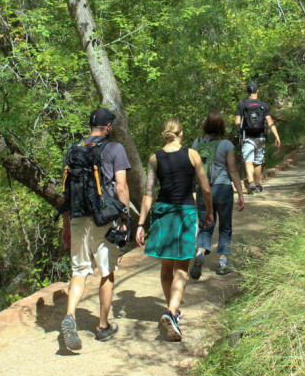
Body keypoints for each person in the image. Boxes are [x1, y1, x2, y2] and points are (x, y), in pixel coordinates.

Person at [59, 107, 131, 351]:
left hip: (78, 214)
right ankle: (102, 326)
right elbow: (120, 186)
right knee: (106, 271)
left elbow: (67, 191)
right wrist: (125, 215)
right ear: (108, 127)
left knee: (79, 270)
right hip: (104, 217)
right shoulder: (114, 148)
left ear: (91, 127)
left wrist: (66, 224)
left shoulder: (73, 150)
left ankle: (70, 315)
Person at [135, 117, 214, 341]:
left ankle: (173, 310)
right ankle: (171, 311)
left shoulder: (154, 159)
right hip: (185, 213)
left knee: (166, 267)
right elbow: (205, 188)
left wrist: (141, 223)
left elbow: (148, 193)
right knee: (181, 268)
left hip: (163, 214)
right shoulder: (192, 155)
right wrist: (208, 212)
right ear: (181, 133)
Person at [189, 112, 245, 278]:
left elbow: (190, 167)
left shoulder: (196, 143)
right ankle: (222, 264)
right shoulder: (227, 144)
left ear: (206, 126)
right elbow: (233, 169)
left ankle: (200, 253)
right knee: (225, 226)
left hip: (203, 189)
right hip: (223, 188)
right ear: (221, 127)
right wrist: (240, 193)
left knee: (205, 225)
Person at [234, 82, 281, 194]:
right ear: (257, 91)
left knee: (248, 160)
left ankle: (250, 182)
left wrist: (244, 126)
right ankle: (257, 184)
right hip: (260, 137)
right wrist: (277, 137)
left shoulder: (242, 104)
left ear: (247, 92)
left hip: (248, 137)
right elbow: (270, 122)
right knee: (258, 161)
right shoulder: (263, 105)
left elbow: (237, 122)